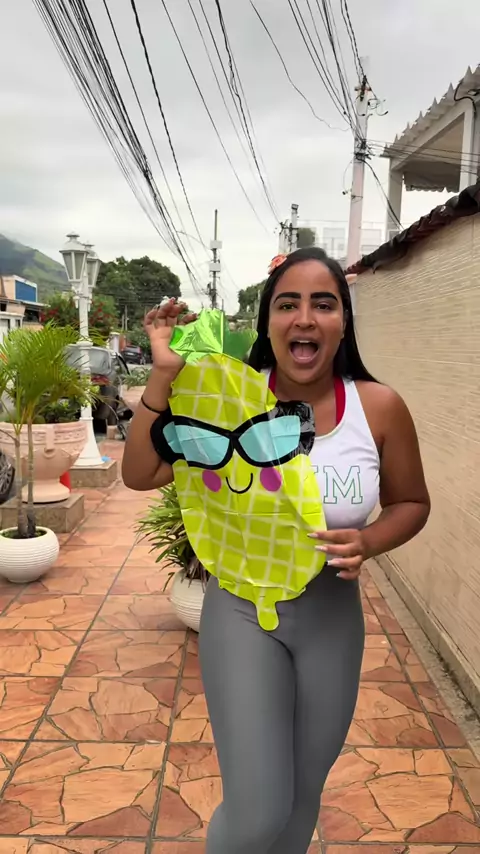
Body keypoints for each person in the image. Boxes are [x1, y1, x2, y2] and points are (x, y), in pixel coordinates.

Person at [122, 247, 430, 854]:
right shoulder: (225, 397)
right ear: (267, 322)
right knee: (258, 810)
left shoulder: (378, 408)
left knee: (300, 800)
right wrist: (163, 376)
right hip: (241, 611)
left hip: (331, 619)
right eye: (288, 304)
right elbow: (139, 473)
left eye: (324, 304)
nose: (305, 318)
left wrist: (369, 540)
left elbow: (412, 503)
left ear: (344, 320)